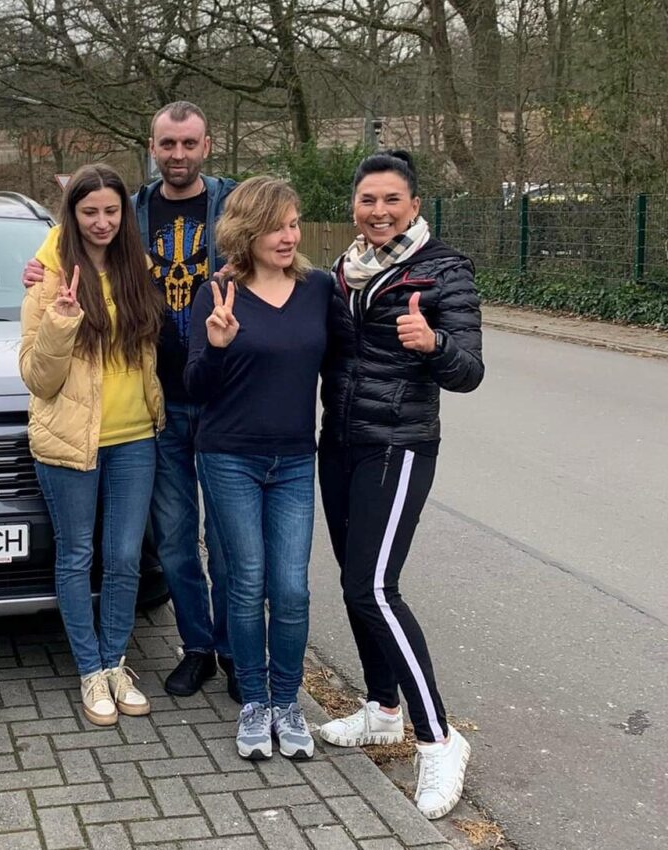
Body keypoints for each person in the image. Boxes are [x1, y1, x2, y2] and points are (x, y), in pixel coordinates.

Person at [25, 102, 240, 700]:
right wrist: (44, 273)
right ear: (152, 146)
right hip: (153, 413)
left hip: (213, 400)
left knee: (224, 543)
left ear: (207, 145)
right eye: (168, 144)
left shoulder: (229, 206)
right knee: (171, 541)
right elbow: (73, 231)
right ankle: (193, 649)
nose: (178, 154)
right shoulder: (132, 211)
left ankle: (233, 652)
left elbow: (280, 244)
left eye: (189, 143)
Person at [316, 150, 484, 818]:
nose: (379, 211)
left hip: (400, 443)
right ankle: (383, 710)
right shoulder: (343, 271)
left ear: (414, 205)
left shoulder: (445, 270)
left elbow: (469, 371)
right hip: (340, 443)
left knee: (374, 588)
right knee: (353, 585)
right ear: (354, 207)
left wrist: (433, 344)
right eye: (368, 200)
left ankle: (438, 738)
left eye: (392, 199)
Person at [185, 178, 331, 760]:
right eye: (276, 227)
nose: (289, 237)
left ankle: (287, 701)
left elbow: (346, 362)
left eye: (293, 224)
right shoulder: (216, 293)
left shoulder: (319, 289)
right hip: (228, 458)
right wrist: (218, 346)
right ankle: (253, 701)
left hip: (294, 459)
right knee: (246, 582)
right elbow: (195, 387)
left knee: (290, 589)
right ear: (246, 232)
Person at [19, 163, 165, 727]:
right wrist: (60, 322)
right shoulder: (47, 281)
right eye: (89, 212)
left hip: (136, 438)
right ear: (71, 217)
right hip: (70, 439)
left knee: (125, 557)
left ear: (124, 214)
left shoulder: (139, 270)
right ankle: (89, 670)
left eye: (111, 210)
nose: (102, 222)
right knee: (77, 555)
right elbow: (38, 379)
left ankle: (115, 662)